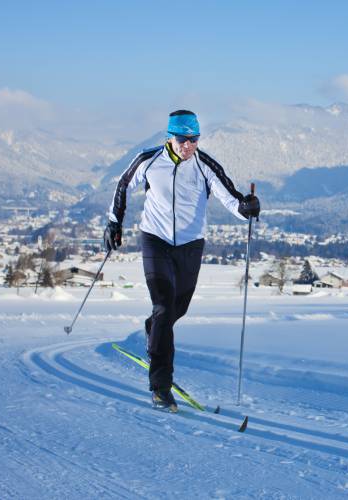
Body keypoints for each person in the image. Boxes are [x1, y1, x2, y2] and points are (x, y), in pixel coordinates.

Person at [104, 110, 260, 412]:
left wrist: (247, 208)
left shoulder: (205, 165)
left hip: (190, 245)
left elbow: (231, 198)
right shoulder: (148, 160)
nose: (189, 146)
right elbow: (123, 185)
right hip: (155, 240)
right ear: (170, 138)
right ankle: (161, 387)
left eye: (194, 139)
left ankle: (154, 330)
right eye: (183, 140)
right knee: (163, 306)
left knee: (177, 309)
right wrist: (114, 222)